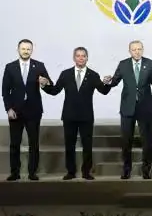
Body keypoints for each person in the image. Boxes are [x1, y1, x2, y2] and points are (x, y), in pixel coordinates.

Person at [41, 46, 111, 180]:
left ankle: (86, 172)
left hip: (86, 116)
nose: (81, 58)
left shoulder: (93, 75)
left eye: (83, 56)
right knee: (70, 145)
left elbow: (103, 91)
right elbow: (55, 91)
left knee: (87, 145)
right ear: (74, 58)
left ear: (87, 58)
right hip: (69, 115)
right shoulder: (65, 74)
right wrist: (44, 85)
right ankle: (71, 172)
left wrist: (107, 83)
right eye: (78, 56)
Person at [103, 40, 152, 180]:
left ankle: (146, 170)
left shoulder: (150, 64)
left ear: (143, 50)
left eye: (139, 49)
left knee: (146, 141)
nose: (137, 52)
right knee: (126, 141)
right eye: (134, 49)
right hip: (127, 108)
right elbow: (115, 81)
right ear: (129, 51)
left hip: (145, 108)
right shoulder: (123, 64)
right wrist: (108, 81)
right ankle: (126, 169)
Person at [1, 39, 52, 181]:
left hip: (33, 111)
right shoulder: (10, 67)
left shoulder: (39, 66)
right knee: (14, 143)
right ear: (18, 50)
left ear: (32, 50)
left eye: (28, 49)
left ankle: (32, 172)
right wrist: (8, 108)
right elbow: (5, 90)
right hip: (15, 111)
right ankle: (14, 172)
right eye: (23, 49)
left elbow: (50, 85)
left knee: (34, 143)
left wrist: (45, 83)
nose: (25, 51)